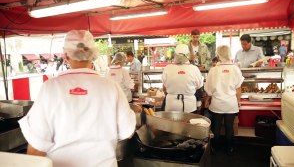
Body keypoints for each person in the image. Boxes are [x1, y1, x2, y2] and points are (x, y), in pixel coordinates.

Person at [18, 30, 136, 167]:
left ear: (66, 55)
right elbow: (127, 131)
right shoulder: (111, 87)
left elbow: (37, 146)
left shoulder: (50, 88)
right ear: (93, 55)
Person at [204, 45, 244, 156]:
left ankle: (214, 148)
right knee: (229, 127)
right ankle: (229, 148)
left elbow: (209, 89)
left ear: (218, 54)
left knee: (216, 127)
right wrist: (238, 100)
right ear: (229, 53)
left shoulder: (214, 70)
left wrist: (207, 100)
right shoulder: (235, 68)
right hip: (231, 103)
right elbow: (238, 87)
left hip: (217, 103)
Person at [161, 44, 203, 113]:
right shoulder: (194, 69)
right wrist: (199, 103)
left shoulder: (168, 68)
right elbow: (199, 88)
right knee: (188, 123)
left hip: (171, 105)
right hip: (190, 106)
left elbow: (164, 88)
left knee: (172, 123)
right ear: (188, 54)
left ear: (175, 55)